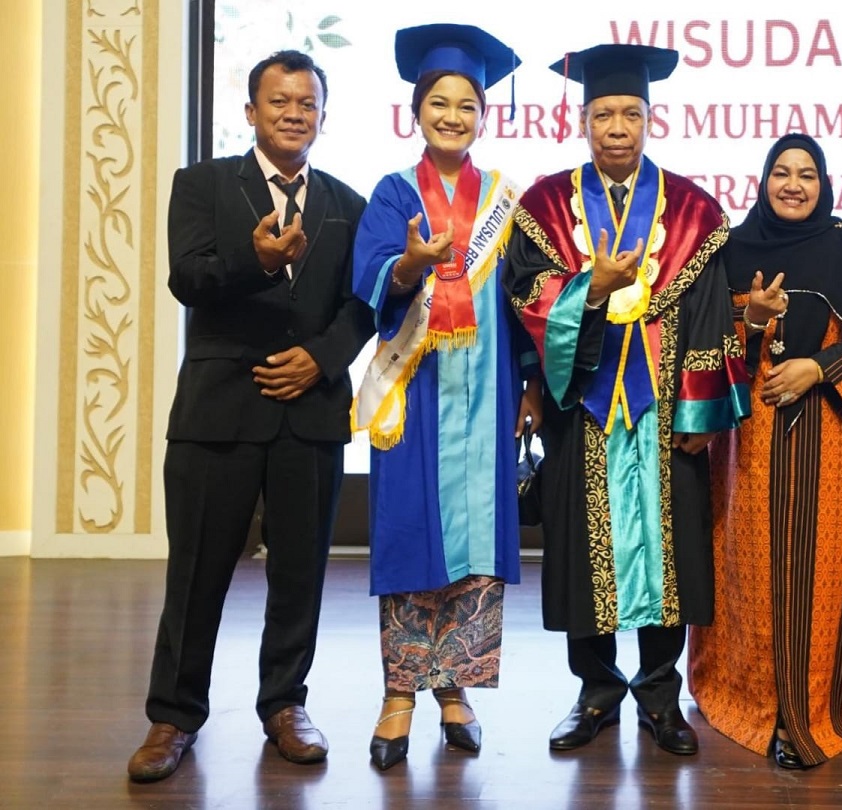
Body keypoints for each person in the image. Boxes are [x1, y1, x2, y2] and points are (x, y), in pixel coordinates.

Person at [127, 50, 375, 782]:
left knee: (299, 575)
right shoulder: (202, 184)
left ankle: (285, 705)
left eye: (307, 104)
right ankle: (173, 716)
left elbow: (363, 305)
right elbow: (188, 278)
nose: (294, 114)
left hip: (311, 412)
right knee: (197, 573)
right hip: (218, 411)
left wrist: (321, 360)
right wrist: (257, 260)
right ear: (250, 112)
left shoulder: (349, 203)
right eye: (280, 102)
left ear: (322, 116)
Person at [502, 44, 750, 756]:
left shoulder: (694, 211)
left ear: (649, 119)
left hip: (666, 413)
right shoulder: (545, 207)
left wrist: (700, 412)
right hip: (579, 409)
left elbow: (710, 315)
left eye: (631, 114)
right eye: (604, 113)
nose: (617, 127)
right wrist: (592, 289)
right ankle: (596, 692)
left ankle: (661, 697)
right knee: (584, 553)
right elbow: (526, 298)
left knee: (671, 552)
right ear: (581, 120)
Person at [351, 24, 541, 771]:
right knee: (410, 531)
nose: (453, 116)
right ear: (416, 112)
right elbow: (370, 277)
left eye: (467, 105)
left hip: (488, 393)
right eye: (440, 103)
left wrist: (530, 383)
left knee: (476, 540)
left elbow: (525, 303)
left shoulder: (506, 203)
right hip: (418, 388)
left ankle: (455, 688)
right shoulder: (394, 193)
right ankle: (400, 692)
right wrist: (408, 264)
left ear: (483, 116)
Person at [687, 133, 842, 769]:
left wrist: (819, 368)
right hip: (749, 440)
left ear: (824, 184)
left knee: (822, 576)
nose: (793, 185)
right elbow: (705, 341)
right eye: (781, 173)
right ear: (763, 182)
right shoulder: (732, 248)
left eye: (806, 174)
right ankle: (755, 697)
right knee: (751, 570)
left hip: (833, 439)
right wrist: (753, 321)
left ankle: (811, 705)